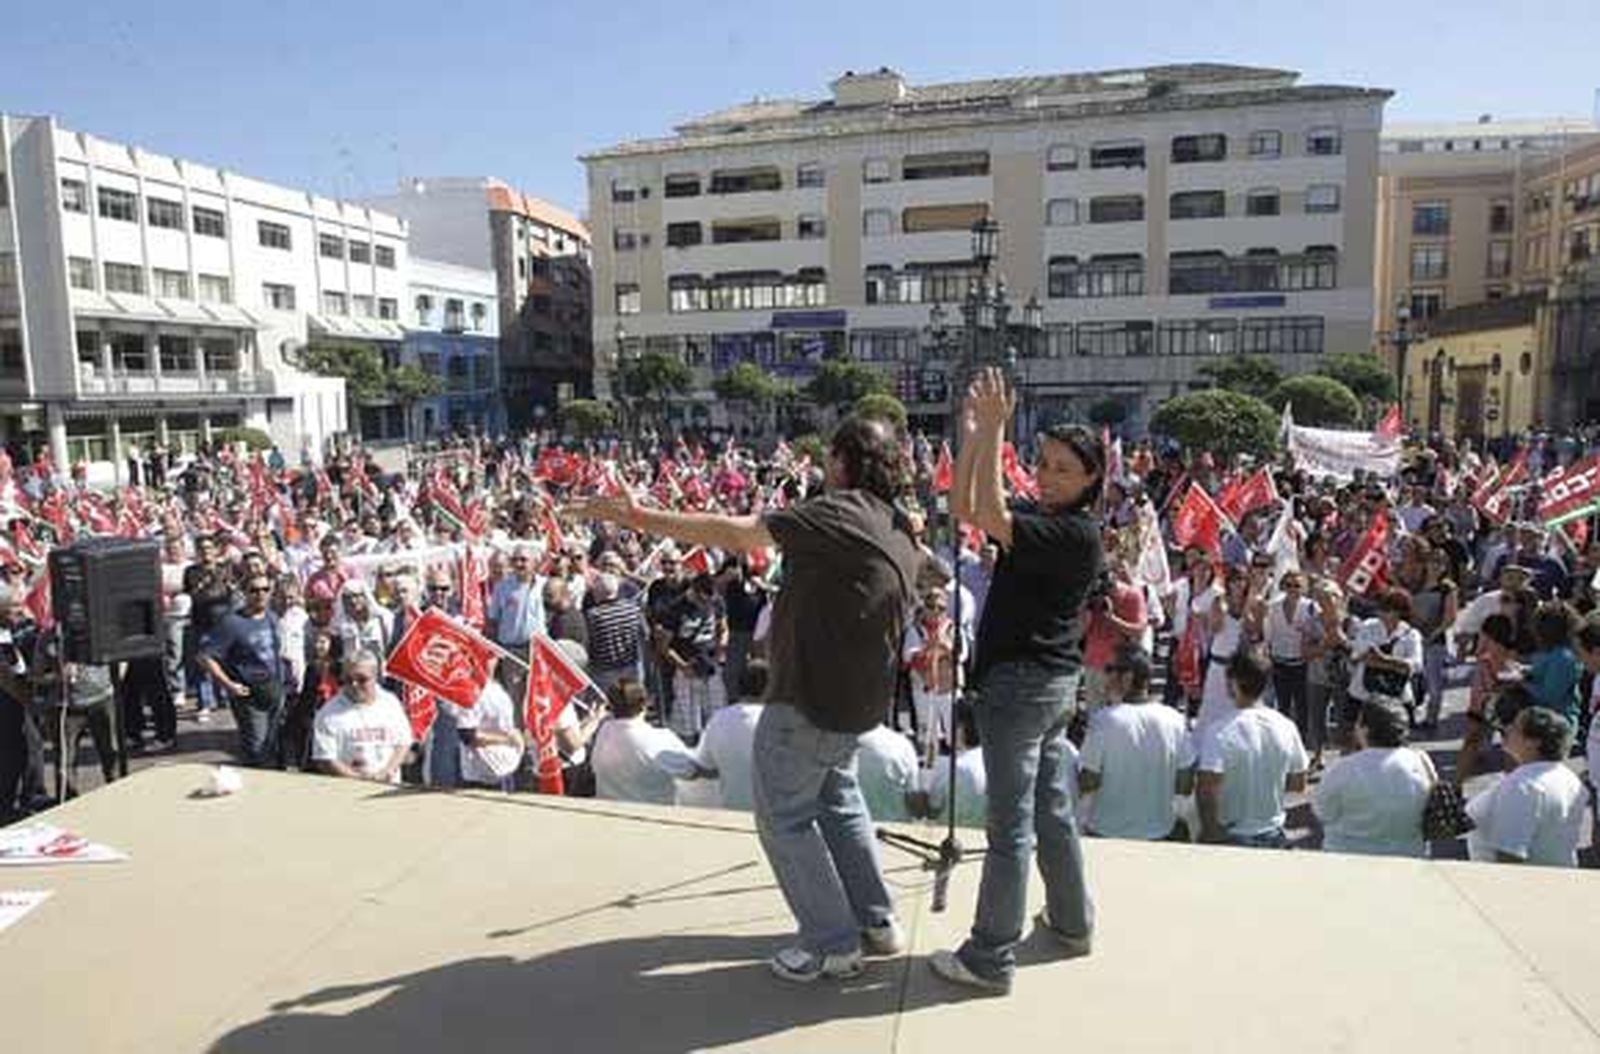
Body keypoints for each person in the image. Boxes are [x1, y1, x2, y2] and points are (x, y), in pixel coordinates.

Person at [570, 413, 922, 985]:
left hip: (808, 701)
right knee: (839, 801)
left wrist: (639, 517)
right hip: (856, 703)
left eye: (829, 457)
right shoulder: (897, 523)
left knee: (784, 818)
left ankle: (831, 944)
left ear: (841, 461)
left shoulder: (839, 511)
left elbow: (739, 533)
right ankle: (876, 922)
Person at [930, 369, 1105, 996]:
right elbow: (966, 509)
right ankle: (1072, 922)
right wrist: (978, 436)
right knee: (1051, 813)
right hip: (1050, 689)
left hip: (1021, 688)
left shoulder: (1073, 532)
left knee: (1010, 830)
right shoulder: (1049, 518)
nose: (1049, 476)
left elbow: (986, 511)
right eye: (1044, 463)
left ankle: (990, 956)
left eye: (1064, 469)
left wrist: (992, 430)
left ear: (1091, 479)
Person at [1078, 646, 1195, 841]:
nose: (1105, 676)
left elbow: (1088, 781)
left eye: (1110, 669)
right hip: (1160, 833)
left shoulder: (1103, 721)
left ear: (1127, 677)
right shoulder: (1174, 720)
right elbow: (1185, 784)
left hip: (1106, 833)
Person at [1196, 650, 1309, 849]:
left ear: (1234, 682)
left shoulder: (1219, 731)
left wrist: (1211, 832)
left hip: (1233, 835)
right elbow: (1299, 783)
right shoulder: (1286, 726)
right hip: (1274, 832)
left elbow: (1206, 791)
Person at [1465, 707, 1586, 867]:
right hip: (1560, 875)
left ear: (1534, 742)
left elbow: (1509, 855)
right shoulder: (1570, 779)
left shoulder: (1523, 786)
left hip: (1514, 880)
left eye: (1515, 727)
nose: (1506, 729)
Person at [1311, 700, 1432, 858]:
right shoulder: (1420, 761)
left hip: (1347, 857)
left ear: (1365, 730)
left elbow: (1322, 812)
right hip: (1409, 855)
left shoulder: (1343, 768)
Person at [200, 572, 286, 768]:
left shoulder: (272, 617)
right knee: (257, 751)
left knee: (274, 746)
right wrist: (228, 685)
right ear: (244, 593)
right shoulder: (231, 622)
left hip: (275, 690)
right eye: (254, 590)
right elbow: (205, 657)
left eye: (265, 589)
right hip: (250, 696)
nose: (260, 594)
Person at [588, 678, 707, 805]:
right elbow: (693, 770)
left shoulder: (604, 731)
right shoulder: (660, 739)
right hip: (653, 813)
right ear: (645, 704)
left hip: (610, 812)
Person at [311, 651, 415, 783]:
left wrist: (388, 770)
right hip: (348, 787)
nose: (354, 685)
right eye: (348, 680)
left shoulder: (391, 703)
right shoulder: (328, 714)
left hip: (388, 783)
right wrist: (359, 779)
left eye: (362, 679)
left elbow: (403, 743)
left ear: (375, 676)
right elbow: (325, 759)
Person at [695, 659, 767, 811]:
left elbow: (704, 768)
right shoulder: (778, 721)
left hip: (733, 814)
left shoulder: (718, 719)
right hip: (775, 818)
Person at [452, 661, 525, 791]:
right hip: (482, 774)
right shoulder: (470, 691)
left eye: (490, 656)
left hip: (506, 767)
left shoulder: (498, 687)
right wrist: (508, 740)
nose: (486, 660)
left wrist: (516, 737)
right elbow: (468, 735)